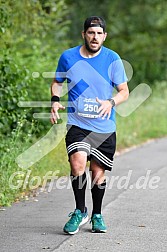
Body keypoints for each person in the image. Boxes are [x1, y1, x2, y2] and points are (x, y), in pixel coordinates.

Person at [50, 16, 129, 234]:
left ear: (104, 36)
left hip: (104, 127)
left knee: (97, 174)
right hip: (78, 124)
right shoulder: (68, 57)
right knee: (77, 165)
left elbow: (124, 91)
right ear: (84, 34)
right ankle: (79, 210)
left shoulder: (112, 59)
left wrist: (110, 102)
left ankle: (97, 214)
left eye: (99, 33)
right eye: (91, 33)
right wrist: (55, 102)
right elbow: (57, 82)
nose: (95, 37)